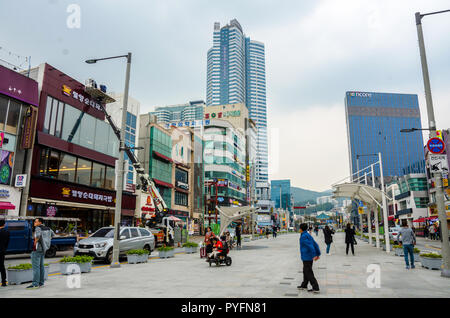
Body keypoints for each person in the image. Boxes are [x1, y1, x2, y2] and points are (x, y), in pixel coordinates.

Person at [27, 218, 55, 289]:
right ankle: (41, 282)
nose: (34, 223)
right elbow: (53, 234)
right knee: (41, 266)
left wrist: (34, 243)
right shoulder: (48, 228)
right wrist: (46, 241)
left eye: (35, 221)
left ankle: (35, 283)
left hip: (37, 249)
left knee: (36, 267)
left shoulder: (38, 228)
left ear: (40, 222)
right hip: (44, 249)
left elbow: (38, 236)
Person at [297, 223, 320, 293]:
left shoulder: (304, 236)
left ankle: (315, 287)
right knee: (305, 271)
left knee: (308, 272)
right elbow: (315, 243)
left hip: (307, 257)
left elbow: (311, 246)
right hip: (307, 256)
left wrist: (315, 255)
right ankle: (304, 285)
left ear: (301, 229)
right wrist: (318, 253)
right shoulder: (307, 235)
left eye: (299, 228)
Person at [0, 219, 10, 287]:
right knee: (2, 266)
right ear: (4, 224)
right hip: (2, 251)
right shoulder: (7, 232)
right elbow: (7, 242)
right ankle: (4, 281)